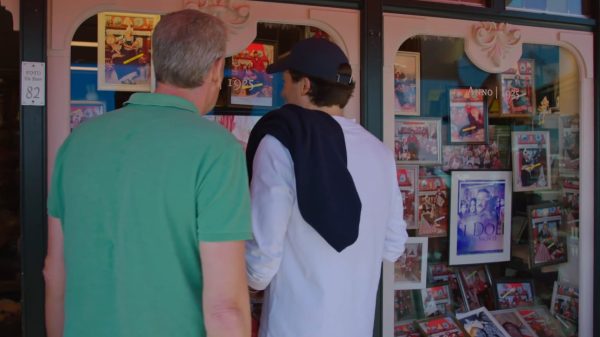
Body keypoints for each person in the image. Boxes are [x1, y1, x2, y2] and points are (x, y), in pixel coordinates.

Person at [44, 9, 252, 337]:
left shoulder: (78, 142)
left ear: (155, 65)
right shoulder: (217, 150)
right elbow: (225, 308)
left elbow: (55, 275)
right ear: (216, 69)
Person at [244, 38, 408, 337]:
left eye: (286, 80)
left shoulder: (280, 144)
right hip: (356, 326)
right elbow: (394, 246)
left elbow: (260, 265)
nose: (281, 90)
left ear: (305, 86)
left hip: (292, 327)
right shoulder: (380, 153)